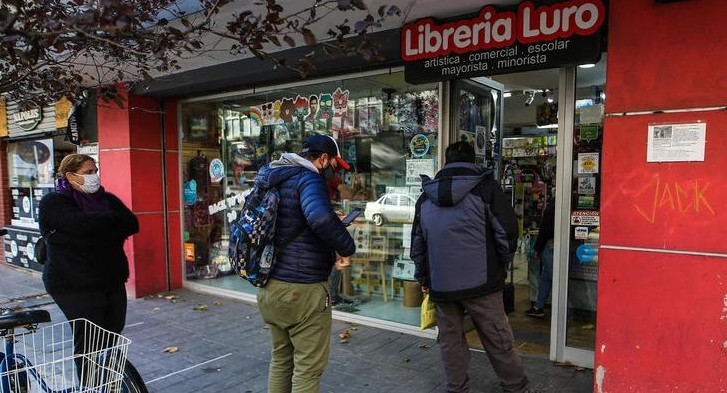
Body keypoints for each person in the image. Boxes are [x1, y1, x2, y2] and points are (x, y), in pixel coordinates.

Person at [410, 142, 532, 393]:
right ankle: (515, 386)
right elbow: (507, 232)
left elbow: (418, 245)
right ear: (473, 161)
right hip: (483, 282)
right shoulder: (486, 188)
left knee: (450, 341)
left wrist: (424, 277)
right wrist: (502, 265)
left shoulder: (425, 197)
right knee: (497, 337)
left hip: (441, 284)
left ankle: (456, 388)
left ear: (445, 162)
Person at [254, 134, 356, 393]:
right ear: (323, 159)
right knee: (308, 369)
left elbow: (294, 218)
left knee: (281, 360)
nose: (334, 172)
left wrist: (330, 218)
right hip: (303, 290)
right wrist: (346, 246)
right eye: (334, 164)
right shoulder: (309, 178)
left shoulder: (277, 176)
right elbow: (319, 218)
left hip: (270, 286)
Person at [38, 153, 139, 381]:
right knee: (90, 338)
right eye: (87, 173)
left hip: (110, 278)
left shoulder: (107, 199)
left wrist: (95, 228)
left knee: (114, 329)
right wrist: (110, 224)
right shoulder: (54, 202)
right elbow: (80, 225)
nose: (94, 176)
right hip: (72, 284)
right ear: (70, 175)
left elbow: (131, 223)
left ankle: (108, 378)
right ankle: (90, 384)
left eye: (95, 171)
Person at [526, 196, 556, 318]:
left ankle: (540, 306)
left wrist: (537, 248)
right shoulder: (566, 203)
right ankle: (539, 306)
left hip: (551, 247)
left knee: (549, 276)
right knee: (546, 277)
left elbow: (545, 229)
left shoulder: (553, 206)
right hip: (556, 246)